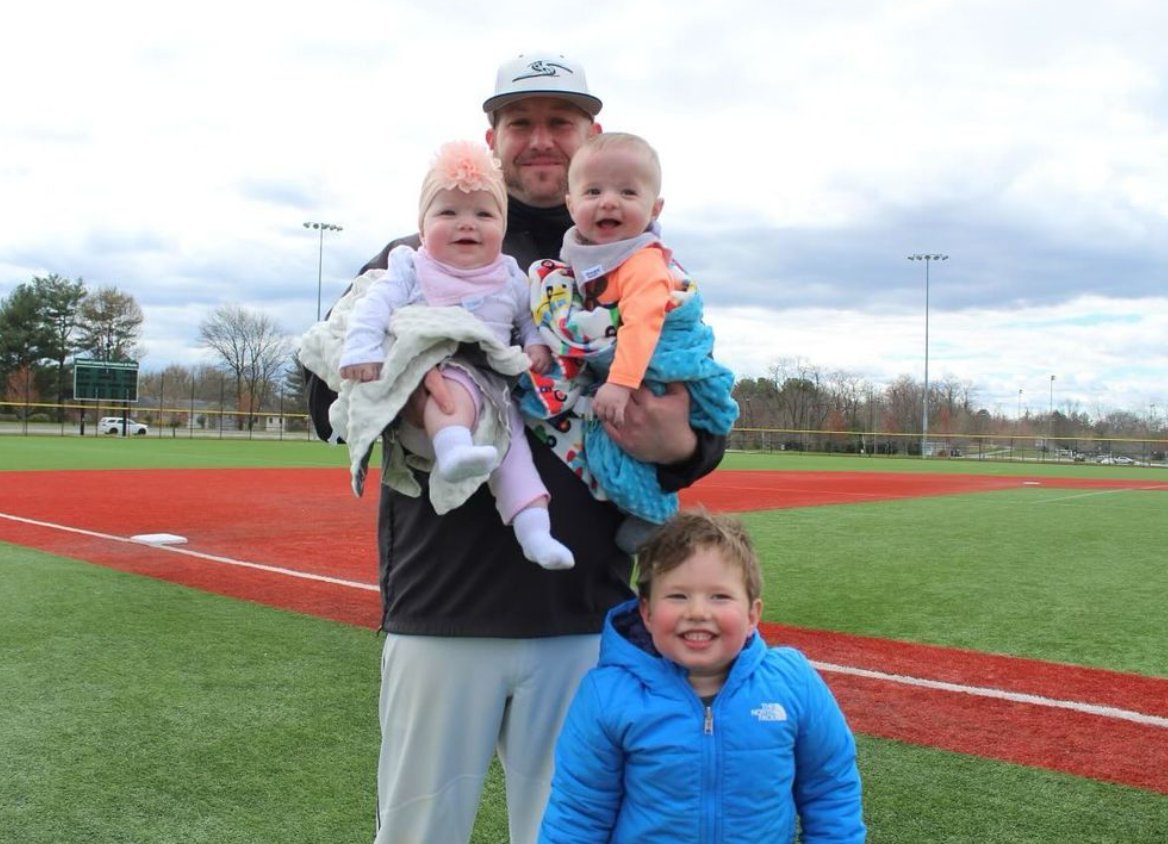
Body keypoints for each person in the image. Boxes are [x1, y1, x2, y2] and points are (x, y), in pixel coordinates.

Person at [303, 52, 727, 844]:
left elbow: (698, 418)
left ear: (591, 133)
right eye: (519, 121)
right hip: (443, 608)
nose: (539, 139)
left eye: (560, 121)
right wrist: (422, 399)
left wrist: (681, 444)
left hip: (585, 615)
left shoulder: (632, 259)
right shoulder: (423, 248)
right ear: (491, 137)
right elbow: (322, 400)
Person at [301, 139, 573, 570]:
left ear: (502, 226)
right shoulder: (411, 266)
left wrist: (536, 345)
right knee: (454, 388)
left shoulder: (510, 275)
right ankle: (453, 448)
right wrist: (364, 351)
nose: (467, 224)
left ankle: (536, 532)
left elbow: (527, 321)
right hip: (439, 371)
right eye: (448, 213)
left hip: (496, 390)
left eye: (484, 215)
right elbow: (371, 309)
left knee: (516, 455)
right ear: (422, 225)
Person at [538, 510, 867, 843]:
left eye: (719, 596)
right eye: (678, 596)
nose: (697, 612)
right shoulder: (607, 695)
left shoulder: (793, 683)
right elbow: (579, 815)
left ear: (752, 615)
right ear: (647, 613)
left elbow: (830, 789)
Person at [522, 132, 737, 550]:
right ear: (571, 204)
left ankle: (652, 512)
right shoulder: (584, 256)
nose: (609, 202)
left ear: (655, 208)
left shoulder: (641, 261)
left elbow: (642, 324)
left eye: (627, 192)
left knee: (612, 450)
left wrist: (620, 382)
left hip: (651, 363)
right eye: (594, 191)